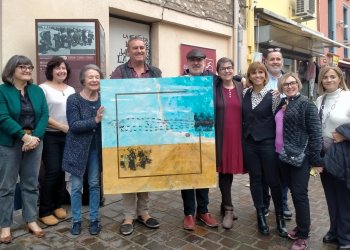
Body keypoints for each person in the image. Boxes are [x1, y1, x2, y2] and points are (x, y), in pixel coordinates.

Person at [110, 37, 161, 236]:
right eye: (135, 48)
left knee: (146, 169)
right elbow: (112, 98)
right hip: (128, 130)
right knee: (130, 169)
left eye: (142, 47)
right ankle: (129, 215)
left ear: (145, 50)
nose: (139, 51)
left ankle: (144, 213)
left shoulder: (155, 72)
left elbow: (159, 99)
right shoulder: (119, 72)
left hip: (149, 130)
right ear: (128, 51)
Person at [0, 55, 48, 243]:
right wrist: (24, 137)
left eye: (29, 67)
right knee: (6, 186)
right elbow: (2, 117)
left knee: (30, 184)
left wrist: (35, 137)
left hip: (35, 141)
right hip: (10, 143)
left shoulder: (37, 91)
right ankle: (5, 225)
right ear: (12, 70)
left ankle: (30, 220)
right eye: (22, 67)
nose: (27, 70)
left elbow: (44, 114)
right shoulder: (2, 91)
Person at [277, 72, 323, 250]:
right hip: (287, 156)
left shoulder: (306, 103)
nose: (289, 86)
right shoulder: (287, 103)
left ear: (298, 84)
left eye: (292, 83)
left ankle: (303, 236)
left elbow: (316, 133)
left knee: (299, 195)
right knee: (295, 194)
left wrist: (316, 160)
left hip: (301, 157)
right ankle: (302, 226)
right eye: (286, 84)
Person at [242, 62, 287, 237]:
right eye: (254, 73)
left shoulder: (274, 95)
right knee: (255, 179)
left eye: (261, 72)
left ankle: (280, 217)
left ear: (265, 75)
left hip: (268, 143)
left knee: (273, 180)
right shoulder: (245, 93)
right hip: (249, 143)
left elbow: (282, 114)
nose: (257, 75)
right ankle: (261, 214)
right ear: (250, 76)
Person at [62, 64, 104, 236]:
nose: (94, 80)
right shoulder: (73, 99)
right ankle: (76, 221)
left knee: (94, 184)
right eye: (90, 77)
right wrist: (95, 119)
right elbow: (74, 125)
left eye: (97, 77)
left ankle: (95, 220)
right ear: (83, 80)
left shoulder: (104, 98)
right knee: (76, 186)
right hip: (77, 148)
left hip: (95, 148)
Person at [181, 48, 218, 230]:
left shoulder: (214, 80)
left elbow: (232, 82)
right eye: (193, 60)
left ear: (205, 62)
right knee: (187, 173)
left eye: (200, 60)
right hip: (186, 133)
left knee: (204, 172)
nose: (196, 63)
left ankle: (203, 211)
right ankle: (189, 213)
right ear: (187, 62)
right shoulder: (179, 81)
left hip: (206, 132)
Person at [316, 66, 350, 249]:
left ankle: (346, 237)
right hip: (325, 153)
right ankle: (334, 230)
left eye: (332, 77)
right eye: (325, 77)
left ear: (339, 78)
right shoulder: (320, 100)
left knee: (344, 196)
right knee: (330, 195)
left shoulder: (348, 96)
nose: (328, 80)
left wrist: (345, 135)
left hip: (344, 153)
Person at [38, 56, 75, 226]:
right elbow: (41, 114)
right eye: (57, 68)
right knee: (52, 170)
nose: (61, 71)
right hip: (50, 135)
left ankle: (57, 205)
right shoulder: (42, 89)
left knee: (63, 170)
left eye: (64, 68)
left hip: (69, 135)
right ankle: (45, 210)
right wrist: (61, 126)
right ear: (51, 70)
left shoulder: (71, 89)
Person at [214, 57, 244, 229]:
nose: (227, 70)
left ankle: (225, 204)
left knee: (230, 171)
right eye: (223, 68)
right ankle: (229, 209)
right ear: (218, 72)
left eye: (230, 67)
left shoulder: (241, 87)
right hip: (221, 135)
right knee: (224, 172)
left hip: (237, 136)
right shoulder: (214, 87)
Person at [263, 47, 292, 220]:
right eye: (272, 59)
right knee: (266, 171)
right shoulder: (261, 78)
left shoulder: (288, 80)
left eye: (278, 59)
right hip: (266, 134)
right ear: (266, 61)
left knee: (283, 172)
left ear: (282, 61)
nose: (275, 62)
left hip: (284, 134)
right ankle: (265, 203)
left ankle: (283, 203)